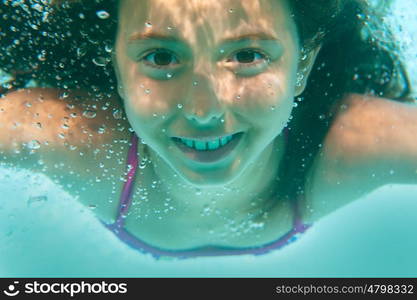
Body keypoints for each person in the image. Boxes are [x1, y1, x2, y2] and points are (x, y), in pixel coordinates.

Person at [0, 0, 416, 260]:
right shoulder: (70, 132)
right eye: (161, 57)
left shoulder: (347, 140)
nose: (204, 111)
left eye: (248, 55)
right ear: (116, 68)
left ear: (302, 65)